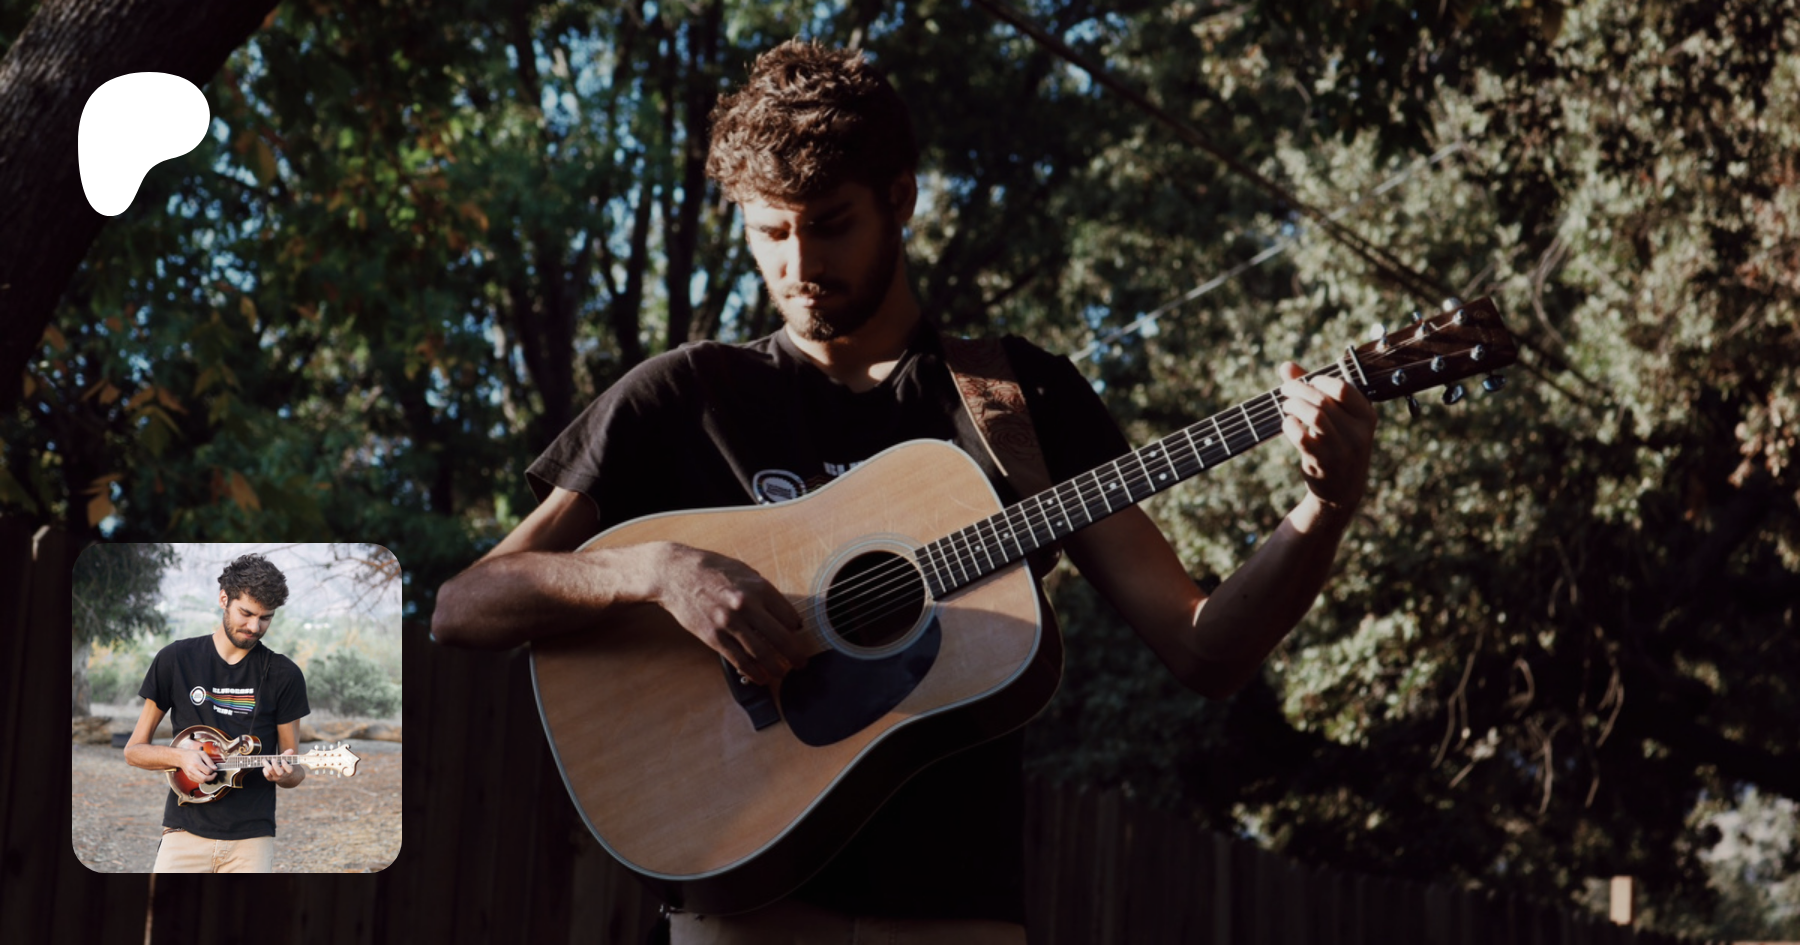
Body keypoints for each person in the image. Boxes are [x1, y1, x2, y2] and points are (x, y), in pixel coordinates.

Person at [431, 38, 1376, 943]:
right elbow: (465, 604)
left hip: (957, 917)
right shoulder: (683, 397)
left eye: (830, 224)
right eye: (770, 233)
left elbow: (1205, 648)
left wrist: (1324, 507)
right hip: (739, 913)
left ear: (900, 198)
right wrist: (655, 570)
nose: (799, 266)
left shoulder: (1018, 399)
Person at [124, 553, 311, 873]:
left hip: (252, 839)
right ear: (224, 598)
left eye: (265, 618)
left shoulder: (285, 675)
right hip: (183, 831)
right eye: (246, 613)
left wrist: (286, 774)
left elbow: (294, 769)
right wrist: (181, 758)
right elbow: (134, 751)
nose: (254, 627)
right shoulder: (175, 659)